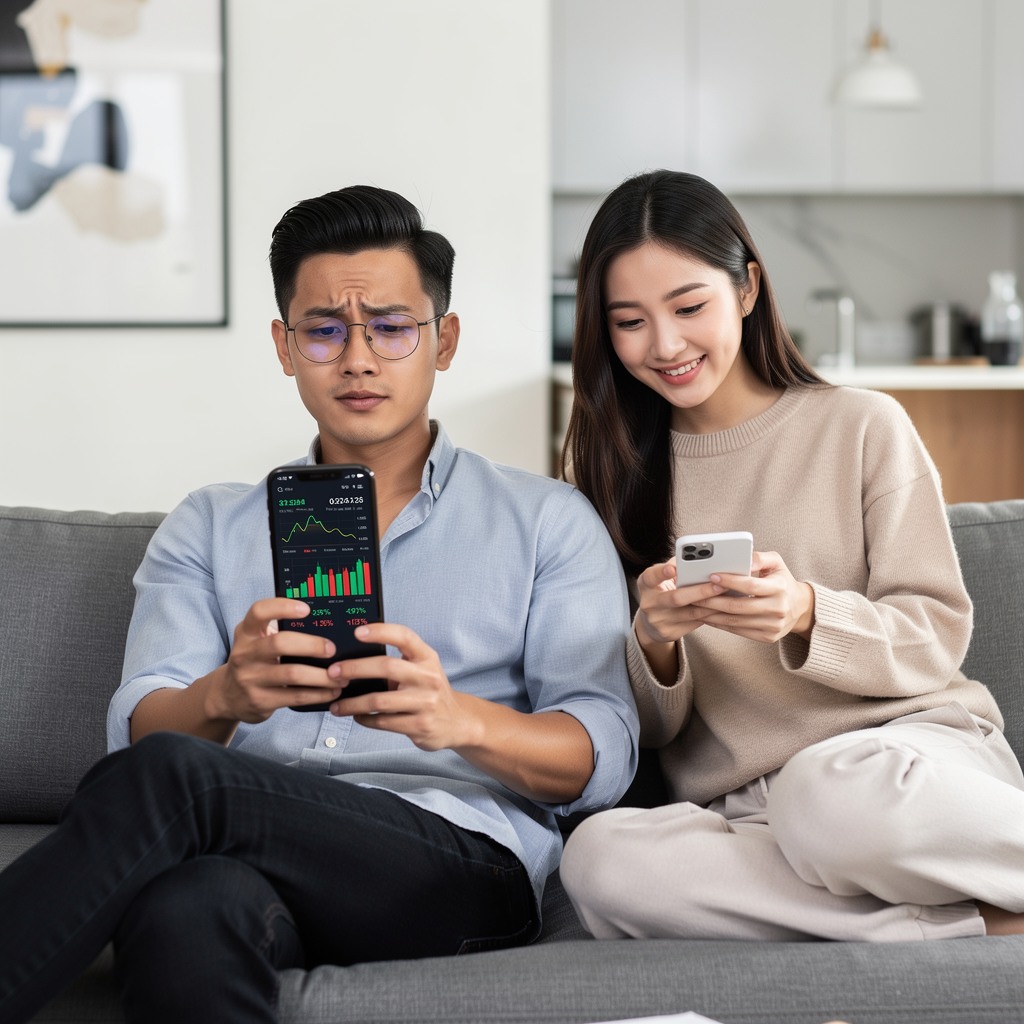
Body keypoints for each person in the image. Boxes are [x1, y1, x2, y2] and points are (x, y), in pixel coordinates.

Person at [0, 185, 639, 1023]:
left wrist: (458, 719)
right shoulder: (211, 525)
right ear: (284, 344)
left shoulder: (545, 520)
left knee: (178, 784)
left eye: (391, 326)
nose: (359, 358)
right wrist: (223, 696)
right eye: (325, 331)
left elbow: (605, 754)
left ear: (443, 341)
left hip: (454, 865)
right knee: (184, 910)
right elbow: (142, 729)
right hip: (252, 851)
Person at [558, 168, 1024, 944]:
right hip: (750, 816)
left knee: (828, 793)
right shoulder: (601, 480)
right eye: (629, 321)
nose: (665, 345)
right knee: (599, 862)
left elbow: (936, 633)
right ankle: (979, 922)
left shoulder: (863, 426)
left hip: (903, 772)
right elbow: (643, 732)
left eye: (688, 306)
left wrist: (807, 613)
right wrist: (654, 641)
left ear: (746, 289)